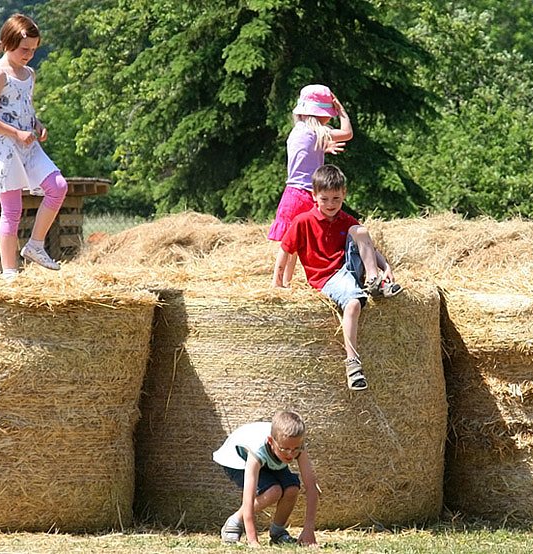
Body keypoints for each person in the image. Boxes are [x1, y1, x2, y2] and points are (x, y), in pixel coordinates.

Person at [273, 164, 402, 391]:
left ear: (344, 194)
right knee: (352, 304)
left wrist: (385, 266)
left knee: (360, 231)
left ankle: (374, 281)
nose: (331, 205)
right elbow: (285, 251)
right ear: (314, 196)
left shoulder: (344, 218)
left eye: (336, 199)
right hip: (328, 277)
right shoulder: (302, 221)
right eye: (325, 199)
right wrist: (277, 284)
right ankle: (352, 363)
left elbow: (367, 245)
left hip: (349, 269)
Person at [0, 13, 67, 281]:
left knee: (58, 186)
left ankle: (35, 245)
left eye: (33, 50)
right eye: (25, 49)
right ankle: (9, 273)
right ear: (7, 42)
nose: (29, 55)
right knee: (12, 211)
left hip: (28, 144)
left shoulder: (30, 74)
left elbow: (25, 107)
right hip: (4, 147)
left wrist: (37, 125)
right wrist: (15, 132)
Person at [269, 84, 353, 287]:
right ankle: (280, 282)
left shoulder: (300, 131)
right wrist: (341, 109)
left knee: (291, 243)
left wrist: (324, 146)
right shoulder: (318, 133)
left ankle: (283, 282)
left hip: (293, 193)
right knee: (294, 243)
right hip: (308, 194)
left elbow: (305, 152)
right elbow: (348, 133)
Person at [212, 410, 319, 547]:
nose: (291, 454)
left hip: (271, 459)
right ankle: (234, 521)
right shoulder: (257, 449)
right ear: (270, 441)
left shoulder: (294, 447)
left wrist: (309, 529)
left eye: (295, 449)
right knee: (273, 491)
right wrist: (252, 540)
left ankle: (278, 532)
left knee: (292, 488)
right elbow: (248, 497)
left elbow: (311, 487)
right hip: (237, 460)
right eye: (285, 448)